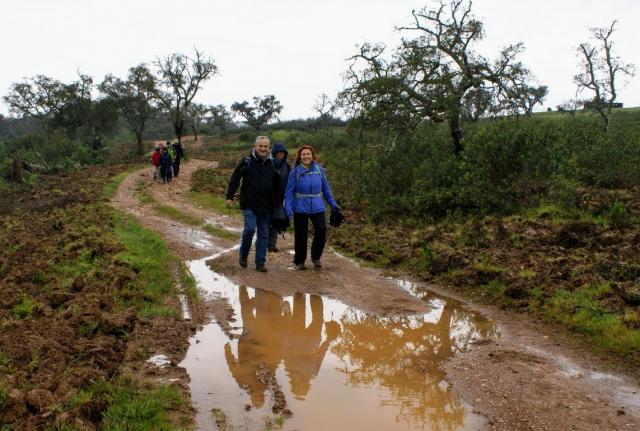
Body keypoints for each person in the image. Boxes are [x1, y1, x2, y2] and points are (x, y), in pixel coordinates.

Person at [226, 136, 282, 272]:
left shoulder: (273, 163)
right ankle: (243, 254)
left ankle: (260, 262)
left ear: (269, 148)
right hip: (249, 203)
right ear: (255, 146)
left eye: (265, 146)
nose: (263, 149)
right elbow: (235, 178)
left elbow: (278, 185)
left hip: (266, 205)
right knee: (250, 229)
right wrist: (230, 196)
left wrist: (278, 203)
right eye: (260, 146)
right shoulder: (247, 161)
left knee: (263, 233)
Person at [284, 145, 338, 270]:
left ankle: (316, 257)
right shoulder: (295, 172)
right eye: (304, 154)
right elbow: (289, 192)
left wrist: (333, 205)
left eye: (308, 154)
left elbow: (326, 189)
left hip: (318, 206)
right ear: (300, 157)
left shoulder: (319, 170)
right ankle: (299, 261)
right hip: (300, 207)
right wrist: (288, 209)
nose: (306, 156)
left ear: (313, 156)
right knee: (301, 235)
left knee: (321, 231)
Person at [268, 141, 292, 253]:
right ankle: (264, 242)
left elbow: (291, 183)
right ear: (274, 153)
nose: (280, 154)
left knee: (277, 221)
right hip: (268, 198)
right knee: (267, 221)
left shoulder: (287, 167)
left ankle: (272, 244)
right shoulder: (268, 164)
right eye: (278, 152)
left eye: (282, 152)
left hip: (281, 199)